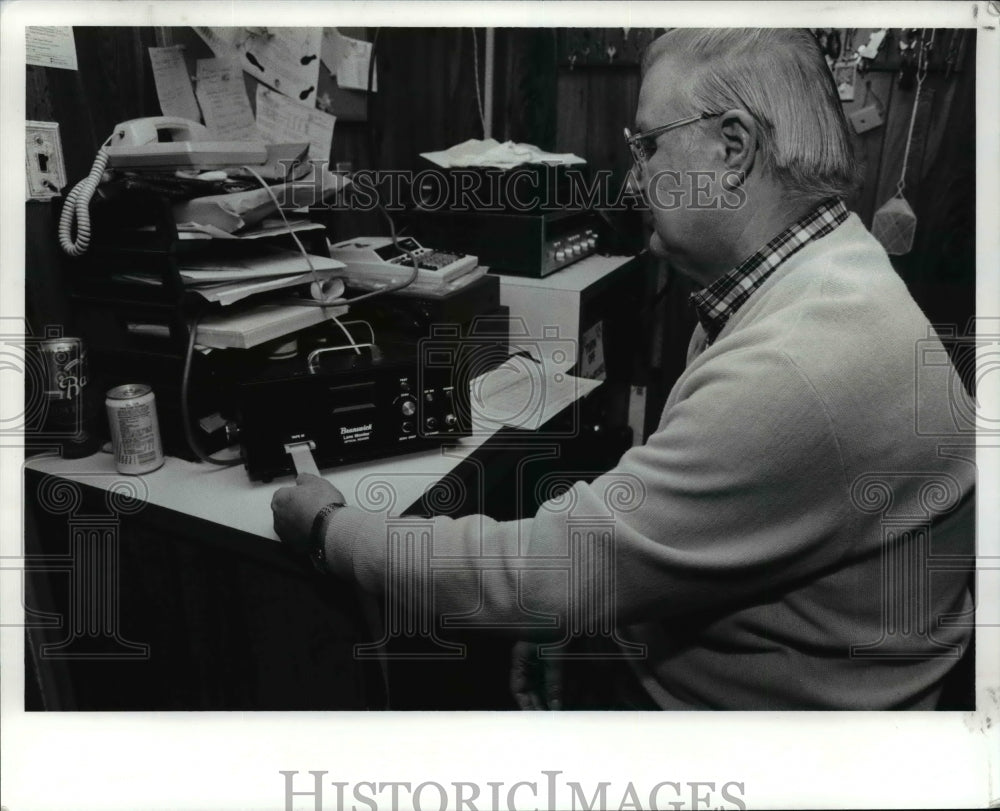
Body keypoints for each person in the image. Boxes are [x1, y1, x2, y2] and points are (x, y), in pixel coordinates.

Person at [272, 28, 974, 710]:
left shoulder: (798, 365)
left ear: (734, 148)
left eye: (646, 146)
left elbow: (540, 573)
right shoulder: (825, 269)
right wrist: (581, 617)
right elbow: (643, 541)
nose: (633, 181)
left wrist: (334, 529)